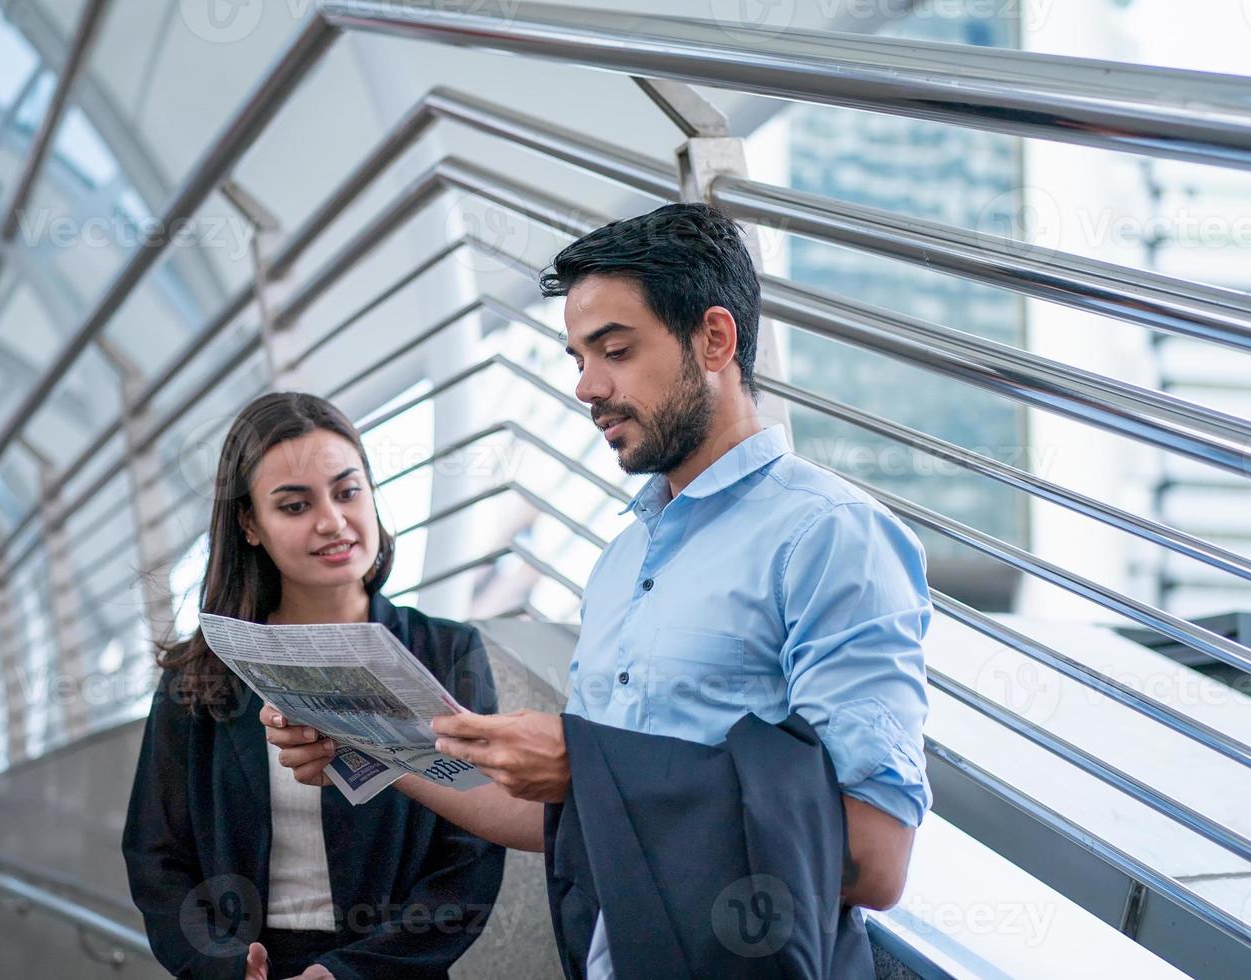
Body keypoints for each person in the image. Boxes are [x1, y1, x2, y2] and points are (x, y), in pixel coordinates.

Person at [266, 204, 931, 972]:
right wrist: (368, 742)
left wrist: (592, 767)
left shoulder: (830, 537)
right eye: (578, 357)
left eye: (614, 350)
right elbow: (572, 815)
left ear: (715, 339)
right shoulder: (621, 564)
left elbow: (873, 859)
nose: (587, 386)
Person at [122, 392, 504, 980]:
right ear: (250, 524)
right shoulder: (203, 674)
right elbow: (157, 855)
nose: (333, 521)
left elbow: (470, 855)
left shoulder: (446, 653)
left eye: (348, 492)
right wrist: (220, 966)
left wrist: (349, 973)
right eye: (295, 505)